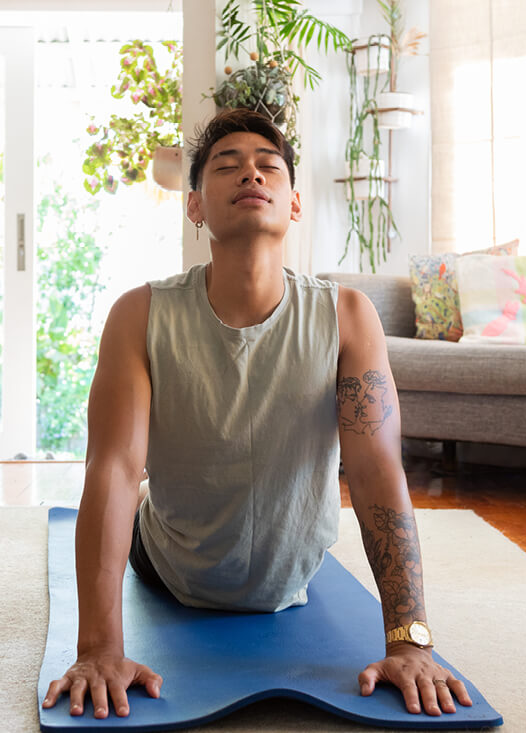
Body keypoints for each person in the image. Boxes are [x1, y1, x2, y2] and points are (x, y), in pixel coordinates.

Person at [42, 109, 473, 719]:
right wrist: (99, 648)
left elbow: (377, 471)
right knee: (136, 504)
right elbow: (114, 467)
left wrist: (410, 639)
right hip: (168, 563)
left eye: (269, 166)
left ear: (294, 203)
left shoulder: (348, 316)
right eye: (227, 165)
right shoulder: (139, 315)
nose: (252, 173)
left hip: (291, 580)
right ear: (195, 206)